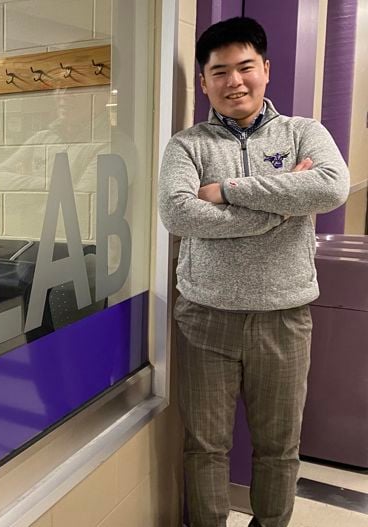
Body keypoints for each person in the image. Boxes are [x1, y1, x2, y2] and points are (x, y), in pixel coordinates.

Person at [158, 17, 349, 527]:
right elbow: (177, 214)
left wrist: (227, 191)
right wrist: (284, 204)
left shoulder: (304, 131)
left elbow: (331, 188)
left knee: (279, 448)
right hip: (204, 319)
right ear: (204, 82)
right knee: (205, 447)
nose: (234, 81)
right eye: (219, 72)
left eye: (245, 67)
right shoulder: (187, 146)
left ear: (266, 69)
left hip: (284, 319)